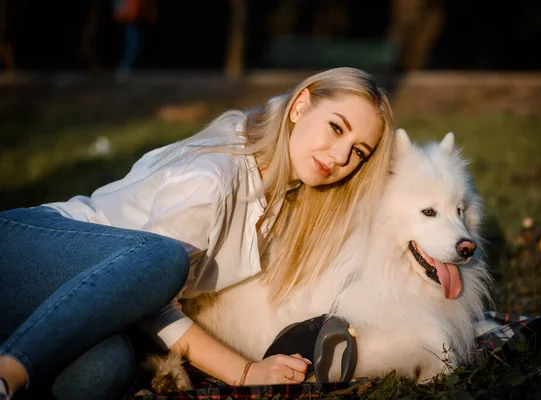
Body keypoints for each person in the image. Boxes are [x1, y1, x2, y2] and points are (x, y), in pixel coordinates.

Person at [0, 67, 396, 400]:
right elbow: (152, 291)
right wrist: (244, 372)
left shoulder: (285, 199)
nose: (342, 156)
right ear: (300, 105)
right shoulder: (212, 177)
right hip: (29, 249)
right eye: (336, 128)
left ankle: (19, 356)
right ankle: (8, 372)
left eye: (359, 151)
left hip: (80, 308)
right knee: (162, 258)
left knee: (104, 370)